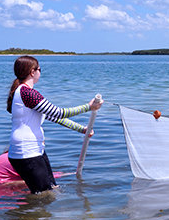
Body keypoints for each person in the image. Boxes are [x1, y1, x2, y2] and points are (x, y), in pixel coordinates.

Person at [6, 56, 102, 194]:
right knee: (44, 194)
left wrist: (81, 129)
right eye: (40, 69)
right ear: (32, 72)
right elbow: (59, 113)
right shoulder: (27, 93)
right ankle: (30, 214)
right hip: (26, 152)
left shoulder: (25, 92)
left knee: (52, 189)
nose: (40, 72)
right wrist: (88, 107)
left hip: (36, 150)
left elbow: (53, 117)